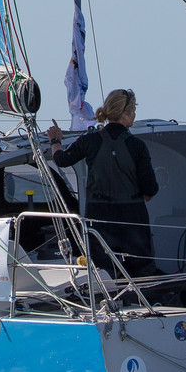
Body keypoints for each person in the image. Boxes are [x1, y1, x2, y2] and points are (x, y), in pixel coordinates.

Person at [46, 88, 161, 277]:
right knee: (141, 269)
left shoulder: (90, 140)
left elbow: (61, 160)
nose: (134, 115)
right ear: (125, 114)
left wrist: (55, 140)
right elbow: (151, 188)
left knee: (104, 268)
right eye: (133, 111)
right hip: (132, 216)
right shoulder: (137, 146)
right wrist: (144, 193)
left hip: (99, 215)